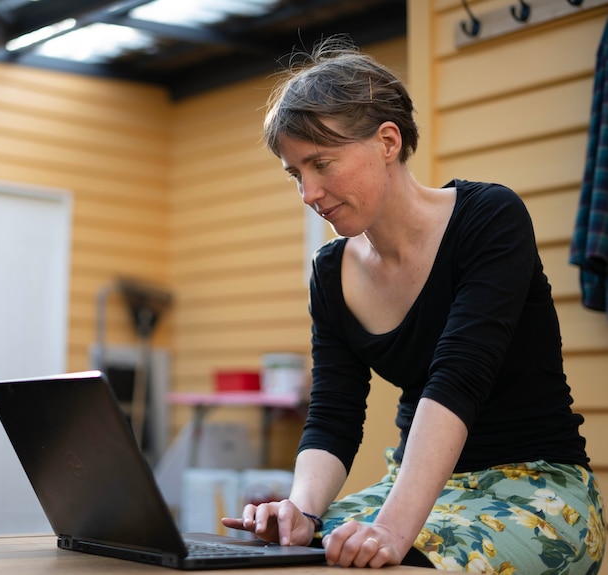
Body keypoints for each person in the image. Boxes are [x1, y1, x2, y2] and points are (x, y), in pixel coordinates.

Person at [221, 36, 606, 572]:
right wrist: (302, 512)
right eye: (295, 174)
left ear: (387, 141)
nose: (308, 193)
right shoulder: (330, 274)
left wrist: (392, 532)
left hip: (536, 492)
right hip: (415, 489)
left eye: (321, 164)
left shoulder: (490, 218)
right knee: (291, 558)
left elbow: (457, 380)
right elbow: (333, 415)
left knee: (391, 565)